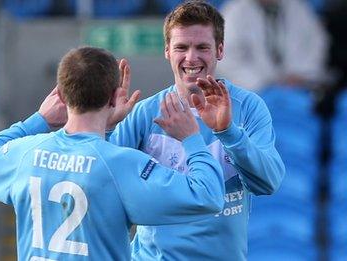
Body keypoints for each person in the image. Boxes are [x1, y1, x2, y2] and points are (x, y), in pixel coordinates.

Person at [35, 1, 285, 260]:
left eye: (202, 47)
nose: (191, 57)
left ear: (219, 50)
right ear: (167, 51)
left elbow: (269, 182)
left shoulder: (248, 107)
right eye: (181, 47)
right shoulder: (145, 114)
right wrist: (105, 126)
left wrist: (228, 131)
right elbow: (94, 176)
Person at [0, 46, 225, 260]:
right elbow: (207, 196)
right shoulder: (121, 164)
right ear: (114, 98)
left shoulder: (27, 152)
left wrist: (39, 119)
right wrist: (191, 139)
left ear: (62, 96)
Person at [217, 0, 329, 91]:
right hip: (256, 90)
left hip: (299, 88)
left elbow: (316, 44)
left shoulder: (298, 7)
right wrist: (265, 84)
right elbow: (227, 60)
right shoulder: (235, 12)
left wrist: (300, 75)